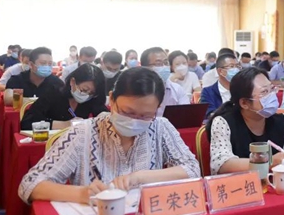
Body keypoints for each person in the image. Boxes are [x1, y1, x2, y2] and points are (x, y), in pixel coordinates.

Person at [19, 67, 200, 204]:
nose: (135, 121)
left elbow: (192, 169)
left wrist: (139, 177)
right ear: (112, 99)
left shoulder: (160, 127)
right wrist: (82, 193)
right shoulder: (84, 133)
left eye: (145, 115)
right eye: (127, 112)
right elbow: (30, 184)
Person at [208, 67, 284, 175]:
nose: (272, 95)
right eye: (264, 92)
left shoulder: (281, 120)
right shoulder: (223, 122)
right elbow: (222, 164)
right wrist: (269, 162)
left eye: (272, 89)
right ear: (244, 103)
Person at [21, 63, 107, 131]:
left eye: (91, 93)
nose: (87, 95)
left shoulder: (92, 99)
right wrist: (65, 125)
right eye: (84, 90)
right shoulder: (53, 93)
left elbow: (106, 119)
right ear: (72, 82)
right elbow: (27, 122)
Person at [140, 47, 189, 116]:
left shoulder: (177, 90)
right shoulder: (137, 91)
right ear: (145, 68)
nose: (164, 67)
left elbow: (186, 115)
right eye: (158, 64)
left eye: (166, 63)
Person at [200, 53, 239, 118]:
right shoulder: (208, 92)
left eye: (237, 66)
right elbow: (209, 113)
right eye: (232, 66)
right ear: (220, 71)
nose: (236, 70)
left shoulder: (243, 89)